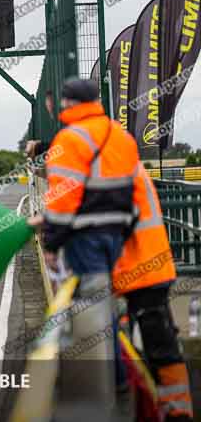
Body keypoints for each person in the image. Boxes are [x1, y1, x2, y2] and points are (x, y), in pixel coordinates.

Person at [29, 77, 140, 408]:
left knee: (93, 312)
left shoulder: (69, 139)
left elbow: (63, 201)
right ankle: (122, 377)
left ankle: (112, 386)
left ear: (68, 104)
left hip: (85, 239)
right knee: (112, 308)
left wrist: (51, 243)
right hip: (118, 237)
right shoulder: (120, 136)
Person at [113, 163, 193, 421]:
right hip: (144, 269)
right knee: (155, 342)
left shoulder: (110, 166)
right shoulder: (119, 158)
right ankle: (167, 407)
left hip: (144, 271)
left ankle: (177, 412)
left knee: (159, 345)